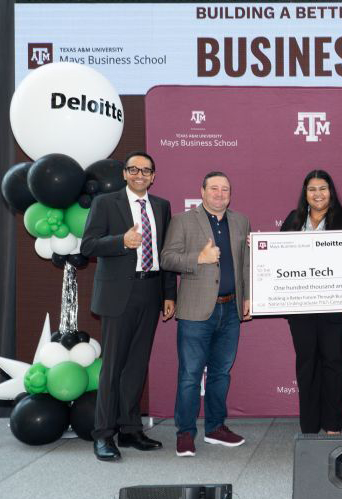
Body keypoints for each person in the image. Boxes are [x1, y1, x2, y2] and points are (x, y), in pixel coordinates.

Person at [81, 151, 176, 462]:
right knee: (112, 368)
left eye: (146, 171)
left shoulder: (161, 206)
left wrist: (168, 293)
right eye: (133, 169)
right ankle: (103, 434)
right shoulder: (105, 203)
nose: (140, 175)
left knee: (136, 365)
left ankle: (130, 429)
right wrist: (121, 241)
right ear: (124, 174)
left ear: (153, 176)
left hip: (150, 290)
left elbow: (165, 254)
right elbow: (89, 246)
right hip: (118, 293)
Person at [160, 171, 251, 457]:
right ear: (202, 192)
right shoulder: (183, 221)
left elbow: (246, 264)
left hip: (231, 309)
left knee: (221, 373)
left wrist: (248, 297)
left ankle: (215, 428)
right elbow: (167, 258)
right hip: (196, 311)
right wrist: (198, 258)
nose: (220, 194)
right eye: (214, 188)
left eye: (225, 189)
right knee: (189, 375)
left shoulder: (241, 221)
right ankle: (185, 433)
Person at [281, 170, 342, 434]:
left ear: (331, 191)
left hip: (336, 308)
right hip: (301, 308)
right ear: (305, 193)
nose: (318, 194)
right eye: (312, 189)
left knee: (334, 362)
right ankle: (310, 426)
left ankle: (333, 425)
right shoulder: (292, 222)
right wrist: (261, 249)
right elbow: (279, 259)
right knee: (306, 363)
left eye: (323, 188)